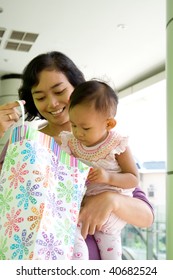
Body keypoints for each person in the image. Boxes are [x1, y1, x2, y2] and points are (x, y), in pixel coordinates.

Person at [0, 51, 154, 260]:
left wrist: (111, 199)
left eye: (60, 90)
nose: (52, 103)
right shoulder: (24, 142)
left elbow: (146, 217)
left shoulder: (105, 143)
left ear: (77, 87)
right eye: (40, 97)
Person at [59, 80, 139, 259]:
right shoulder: (71, 143)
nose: (78, 132)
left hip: (111, 210)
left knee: (111, 254)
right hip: (82, 205)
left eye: (85, 127)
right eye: (73, 125)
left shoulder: (117, 145)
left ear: (109, 124)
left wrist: (108, 178)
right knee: (74, 244)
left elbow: (133, 179)